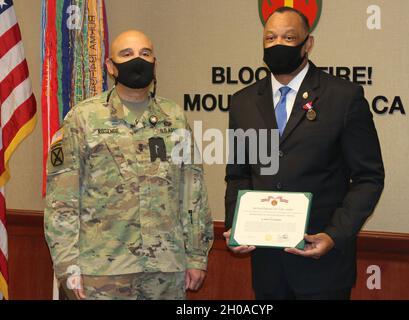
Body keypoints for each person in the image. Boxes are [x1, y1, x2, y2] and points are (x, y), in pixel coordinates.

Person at [224, 7, 384, 300]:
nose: (278, 44)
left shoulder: (343, 97)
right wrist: (236, 226)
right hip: (267, 267)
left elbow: (368, 177)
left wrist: (335, 235)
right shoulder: (243, 102)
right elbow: (239, 175)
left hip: (323, 264)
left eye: (289, 37)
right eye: (270, 37)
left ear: (307, 44)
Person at [44, 30, 213, 300]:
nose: (138, 60)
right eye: (127, 54)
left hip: (165, 269)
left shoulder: (174, 118)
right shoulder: (83, 118)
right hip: (102, 270)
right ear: (111, 67)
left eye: (145, 54)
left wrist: (196, 256)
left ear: (154, 63)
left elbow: (192, 191)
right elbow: (61, 201)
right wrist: (67, 265)